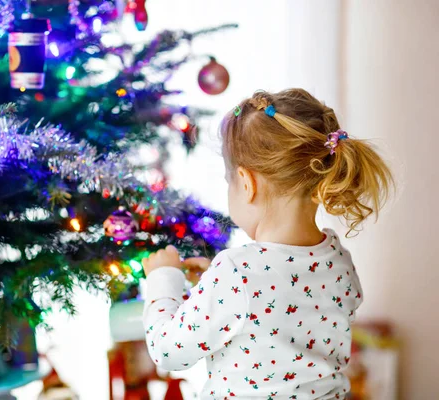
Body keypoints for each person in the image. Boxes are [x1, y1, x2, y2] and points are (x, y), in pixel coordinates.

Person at [142, 89, 393, 400]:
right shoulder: (338, 260)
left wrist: (163, 278)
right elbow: (278, 304)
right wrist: (214, 282)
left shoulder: (236, 272)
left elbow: (169, 351)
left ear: (247, 184)